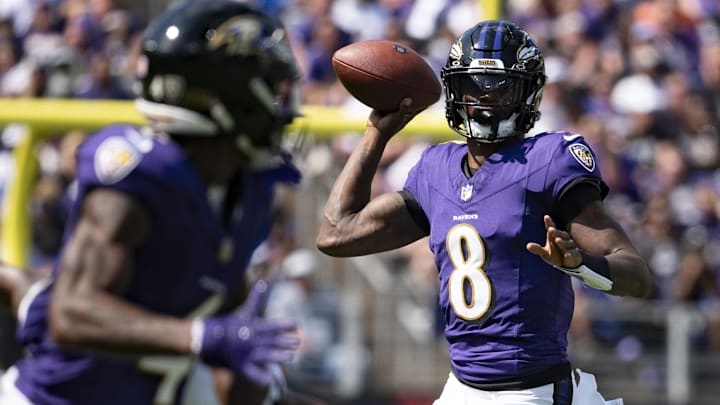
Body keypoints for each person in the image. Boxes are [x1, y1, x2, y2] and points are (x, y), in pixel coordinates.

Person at [316, 20, 652, 405]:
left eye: (500, 87)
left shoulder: (547, 162)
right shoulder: (435, 169)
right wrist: (377, 133)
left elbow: (636, 277)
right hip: (460, 389)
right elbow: (336, 233)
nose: (484, 98)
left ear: (529, 93)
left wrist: (580, 264)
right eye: (473, 85)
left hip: (533, 391)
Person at [0, 1, 308, 404]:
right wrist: (199, 337)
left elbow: (219, 311)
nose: (281, 105)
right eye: (270, 86)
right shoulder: (142, 175)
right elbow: (72, 312)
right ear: (229, 94)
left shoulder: (249, 188)